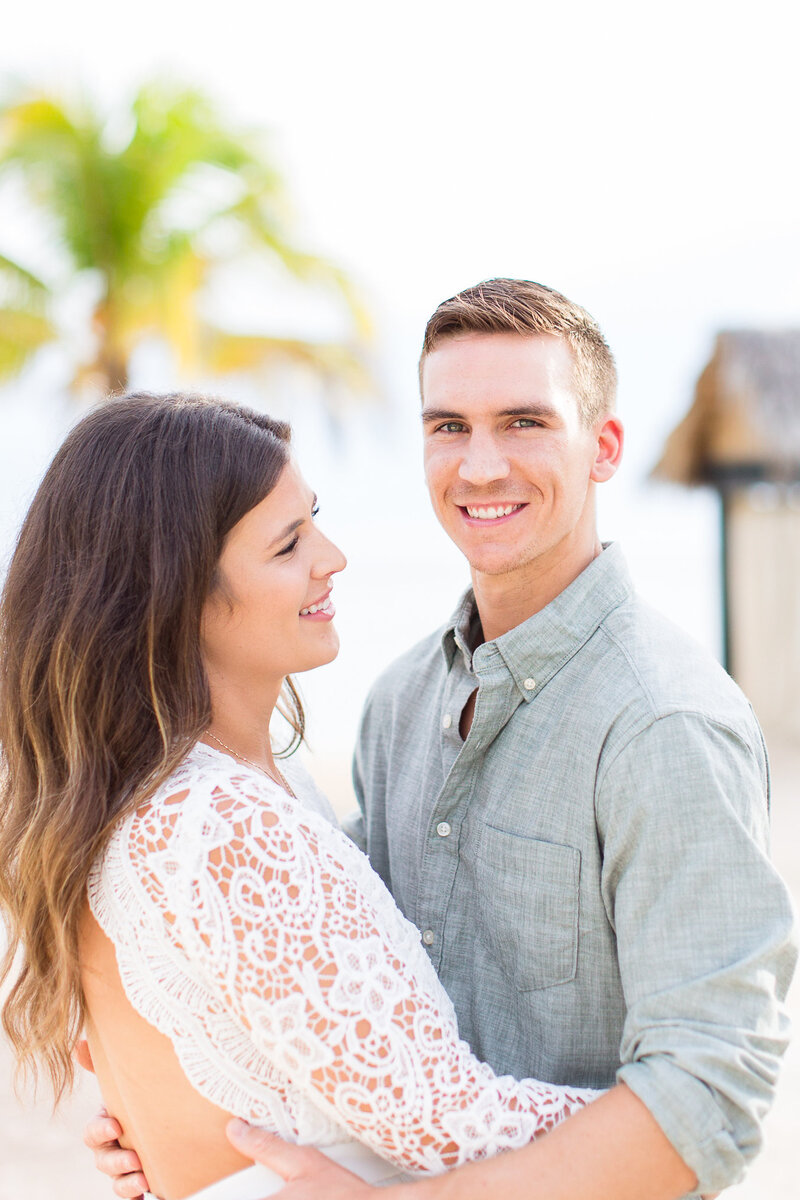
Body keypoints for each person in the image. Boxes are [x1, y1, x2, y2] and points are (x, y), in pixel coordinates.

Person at [88, 279, 796, 1200]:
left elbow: (709, 1101)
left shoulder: (666, 725)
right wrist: (169, 1118)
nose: (481, 465)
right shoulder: (399, 701)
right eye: (449, 426)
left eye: (525, 422)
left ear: (604, 447)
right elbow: (313, 979)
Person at [0, 392, 607, 1200]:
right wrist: (668, 1122)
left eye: (313, 518)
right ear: (176, 595)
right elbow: (451, 1122)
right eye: (288, 545)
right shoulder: (222, 826)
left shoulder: (154, 798)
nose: (333, 557)